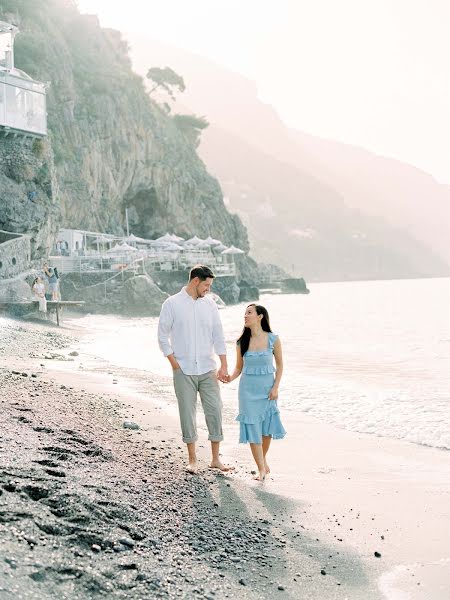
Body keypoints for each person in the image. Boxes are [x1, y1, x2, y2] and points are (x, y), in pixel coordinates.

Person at [158, 264, 234, 474]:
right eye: (206, 285)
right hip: (183, 370)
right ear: (195, 281)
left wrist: (224, 364)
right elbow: (162, 336)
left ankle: (215, 459)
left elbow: (218, 336)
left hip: (208, 369)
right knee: (187, 414)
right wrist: (175, 364)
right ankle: (192, 460)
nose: (208, 289)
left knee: (215, 411)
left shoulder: (209, 305)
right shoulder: (172, 304)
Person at [228, 304, 286, 481]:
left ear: (260, 316)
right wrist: (229, 378)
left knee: (267, 429)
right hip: (247, 392)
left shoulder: (273, 339)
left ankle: (262, 461)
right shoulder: (241, 342)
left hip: (267, 391)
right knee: (252, 428)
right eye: (245, 313)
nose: (245, 316)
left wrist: (275, 387)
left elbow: (281, 366)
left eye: (249, 313)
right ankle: (261, 469)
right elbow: (239, 368)